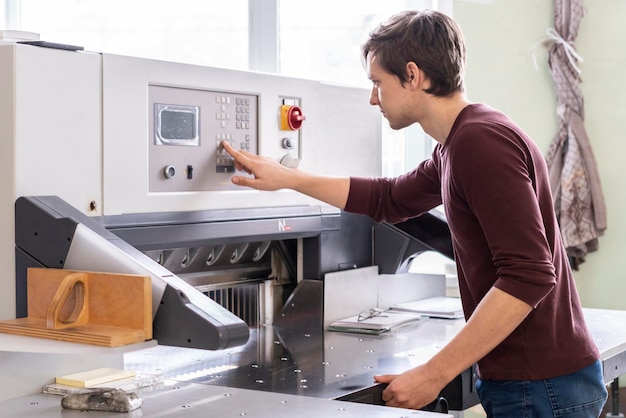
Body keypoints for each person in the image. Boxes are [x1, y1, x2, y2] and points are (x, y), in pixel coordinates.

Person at [222, 9, 608, 418]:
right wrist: (289, 178)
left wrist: (433, 374)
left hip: (540, 385)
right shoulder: (459, 143)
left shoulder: (479, 143)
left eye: (377, 83)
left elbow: (529, 276)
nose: (373, 98)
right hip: (536, 380)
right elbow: (388, 198)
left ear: (412, 74)